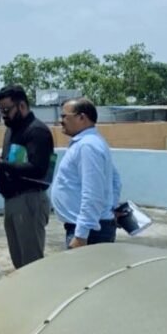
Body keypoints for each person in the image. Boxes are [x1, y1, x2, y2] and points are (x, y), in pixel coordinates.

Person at [0, 85, 55, 269]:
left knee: (31, 264)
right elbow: (13, 163)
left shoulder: (36, 131)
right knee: (19, 263)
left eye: (6, 110)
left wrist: (0, 163)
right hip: (13, 201)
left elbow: (37, 169)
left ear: (21, 106)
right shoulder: (12, 130)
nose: (3, 115)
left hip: (28, 201)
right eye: (0, 111)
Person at [51, 98, 122, 249]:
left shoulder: (87, 146)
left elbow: (92, 193)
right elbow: (115, 180)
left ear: (82, 117)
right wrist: (111, 208)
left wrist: (81, 235)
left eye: (64, 116)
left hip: (89, 232)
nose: (61, 121)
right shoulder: (92, 142)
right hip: (91, 227)